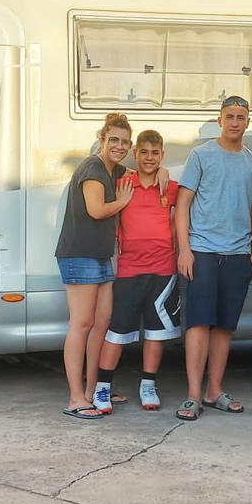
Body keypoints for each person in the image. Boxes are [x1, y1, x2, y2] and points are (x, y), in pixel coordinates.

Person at [174, 95, 252, 422]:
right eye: (230, 116)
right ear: (220, 119)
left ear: (248, 121)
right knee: (199, 324)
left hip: (238, 255)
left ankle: (214, 390)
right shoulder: (201, 155)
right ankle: (193, 396)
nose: (235, 122)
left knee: (225, 327)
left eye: (241, 116)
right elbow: (183, 205)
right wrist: (184, 250)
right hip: (202, 252)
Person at [92, 130, 181, 413]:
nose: (150, 158)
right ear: (136, 154)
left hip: (163, 268)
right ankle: (102, 387)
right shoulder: (122, 184)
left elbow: (181, 221)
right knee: (117, 331)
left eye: (155, 153)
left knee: (156, 333)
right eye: (144, 152)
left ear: (162, 155)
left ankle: (148, 385)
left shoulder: (171, 187)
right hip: (129, 269)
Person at [55, 112, 135, 420]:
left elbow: (141, 170)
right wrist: (122, 203)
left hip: (101, 257)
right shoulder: (92, 168)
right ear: (102, 139)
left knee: (101, 324)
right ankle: (76, 397)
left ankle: (94, 389)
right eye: (113, 139)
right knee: (82, 324)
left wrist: (163, 170)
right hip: (79, 256)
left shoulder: (112, 170)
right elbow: (97, 210)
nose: (119, 146)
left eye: (125, 142)